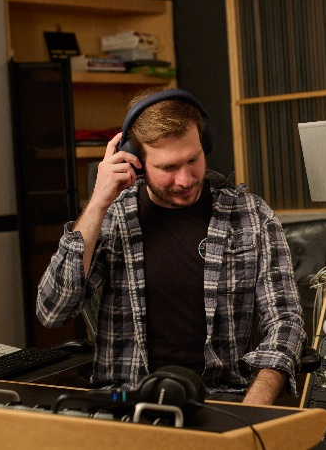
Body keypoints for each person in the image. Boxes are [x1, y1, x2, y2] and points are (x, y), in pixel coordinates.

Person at [36, 87, 306, 405]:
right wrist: (97, 203)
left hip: (221, 400)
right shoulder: (113, 217)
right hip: (126, 399)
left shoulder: (250, 216)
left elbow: (285, 321)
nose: (185, 180)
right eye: (167, 168)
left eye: (193, 160)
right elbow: (53, 311)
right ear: (136, 162)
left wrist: (255, 406)